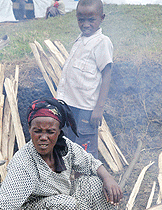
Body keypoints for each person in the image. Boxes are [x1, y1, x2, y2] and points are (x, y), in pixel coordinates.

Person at [56, 0, 112, 159]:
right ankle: (71, 180)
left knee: (85, 152)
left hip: (87, 110)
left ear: (102, 18)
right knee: (69, 145)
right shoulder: (80, 40)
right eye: (81, 19)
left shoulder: (102, 42)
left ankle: (87, 182)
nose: (85, 24)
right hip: (70, 107)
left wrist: (99, 108)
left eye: (91, 19)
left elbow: (107, 75)